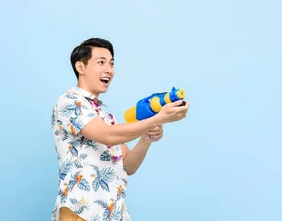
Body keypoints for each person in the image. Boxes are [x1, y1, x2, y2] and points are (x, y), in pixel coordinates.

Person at [50, 38, 189, 221]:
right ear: (80, 67)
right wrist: (158, 118)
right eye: (101, 62)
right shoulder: (69, 103)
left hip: (112, 213)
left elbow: (128, 165)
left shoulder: (103, 115)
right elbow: (106, 135)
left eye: (112, 63)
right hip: (81, 212)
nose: (109, 69)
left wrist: (146, 138)